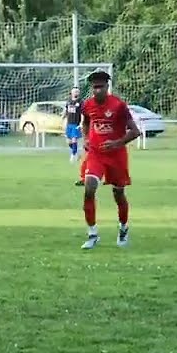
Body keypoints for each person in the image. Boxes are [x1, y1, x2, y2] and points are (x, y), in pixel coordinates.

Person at [78, 70, 140, 250]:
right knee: (89, 189)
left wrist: (117, 143)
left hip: (117, 155)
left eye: (101, 87)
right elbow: (86, 123)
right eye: (94, 87)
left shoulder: (119, 106)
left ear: (107, 87)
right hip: (96, 155)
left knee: (118, 194)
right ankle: (92, 234)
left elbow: (135, 131)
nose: (97, 90)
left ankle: (123, 228)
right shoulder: (87, 105)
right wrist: (87, 139)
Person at [64, 86, 84, 167]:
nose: (76, 93)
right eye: (75, 91)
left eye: (77, 91)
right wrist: (63, 116)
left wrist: (81, 122)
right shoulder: (68, 101)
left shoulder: (81, 102)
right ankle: (76, 153)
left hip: (76, 124)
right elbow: (66, 110)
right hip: (69, 124)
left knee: (74, 139)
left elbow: (82, 113)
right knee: (68, 141)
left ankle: (73, 155)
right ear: (71, 92)